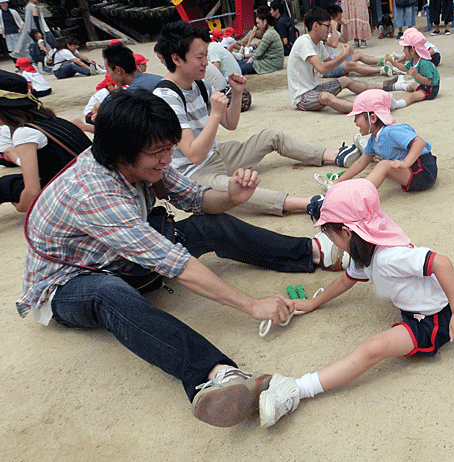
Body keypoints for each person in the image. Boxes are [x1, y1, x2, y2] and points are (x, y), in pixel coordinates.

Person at [17, 89, 348, 428]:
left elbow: (197, 199)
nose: (167, 159)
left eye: (169, 148)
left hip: (118, 258)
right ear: (121, 153)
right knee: (109, 294)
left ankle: (313, 252)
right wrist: (251, 305)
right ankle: (216, 375)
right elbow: (173, 263)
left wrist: (233, 197)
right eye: (157, 152)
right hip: (67, 284)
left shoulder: (147, 160)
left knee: (208, 225)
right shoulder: (94, 192)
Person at [259, 178, 454, 428]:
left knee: (373, 348)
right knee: (376, 340)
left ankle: (299, 388)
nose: (328, 239)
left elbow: (441, 262)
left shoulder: (388, 257)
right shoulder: (366, 245)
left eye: (328, 233)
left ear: (347, 232)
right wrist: (315, 302)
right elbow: (346, 280)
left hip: (433, 321)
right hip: (418, 308)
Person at [152, 20, 347, 216]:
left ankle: (337, 155)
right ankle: (311, 203)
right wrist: (215, 114)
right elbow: (194, 155)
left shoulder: (200, 84)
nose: (206, 63)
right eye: (199, 57)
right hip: (194, 172)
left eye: (206, 55)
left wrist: (236, 93)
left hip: (217, 154)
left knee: (272, 136)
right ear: (177, 59)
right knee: (238, 189)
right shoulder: (166, 97)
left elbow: (230, 124)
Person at [0, 71, 91, 212]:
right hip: (87, 182)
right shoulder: (52, 120)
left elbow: (32, 192)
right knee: (9, 182)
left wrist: (22, 207)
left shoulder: (24, 133)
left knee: (5, 185)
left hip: (73, 193)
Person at [332, 89, 438, 193]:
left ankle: (361, 194)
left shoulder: (391, 131)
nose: (355, 121)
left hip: (423, 171)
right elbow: (360, 163)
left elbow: (419, 142)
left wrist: (406, 162)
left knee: (383, 165)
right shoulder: (373, 140)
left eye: (357, 117)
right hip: (410, 170)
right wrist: (339, 181)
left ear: (373, 118)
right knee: (381, 159)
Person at [287, 7, 385, 114]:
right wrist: (344, 55)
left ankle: (385, 86)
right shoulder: (304, 42)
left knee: (345, 80)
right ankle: (371, 108)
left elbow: (330, 63)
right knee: (326, 97)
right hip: (302, 97)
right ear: (315, 26)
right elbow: (322, 68)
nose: (329, 30)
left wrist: (345, 56)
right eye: (327, 26)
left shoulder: (318, 43)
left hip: (314, 89)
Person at [322, 4, 394, 79]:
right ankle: (382, 70)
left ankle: (384, 61)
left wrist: (345, 26)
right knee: (351, 64)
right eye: (339, 19)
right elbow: (334, 44)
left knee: (358, 55)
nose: (340, 21)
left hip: (334, 62)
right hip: (327, 69)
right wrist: (334, 27)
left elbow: (344, 39)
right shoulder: (324, 32)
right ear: (331, 19)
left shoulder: (333, 31)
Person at [383, 28, 440, 109]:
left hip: (431, 88)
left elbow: (428, 81)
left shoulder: (424, 63)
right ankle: (401, 85)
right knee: (411, 86)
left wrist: (416, 75)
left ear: (412, 50)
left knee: (412, 96)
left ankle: (395, 104)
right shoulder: (413, 60)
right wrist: (392, 61)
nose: (403, 51)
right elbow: (404, 68)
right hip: (423, 84)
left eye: (404, 48)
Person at [238, 6, 284, 75]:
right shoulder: (270, 31)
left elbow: (259, 53)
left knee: (238, 68)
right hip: (272, 62)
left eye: (258, 23)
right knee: (238, 64)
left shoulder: (269, 34)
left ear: (265, 21)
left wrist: (250, 60)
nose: (257, 25)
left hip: (271, 64)